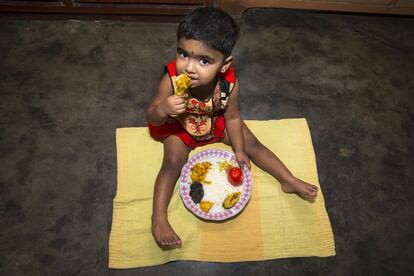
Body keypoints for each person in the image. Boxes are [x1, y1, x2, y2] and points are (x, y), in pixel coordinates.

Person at [146, 7, 318, 248]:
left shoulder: (229, 85)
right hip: (180, 127)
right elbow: (152, 118)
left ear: (224, 64)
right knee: (171, 163)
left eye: (204, 60)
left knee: (253, 145)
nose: (189, 67)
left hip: (215, 123)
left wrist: (239, 150)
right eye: (183, 54)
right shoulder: (171, 81)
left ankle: (287, 179)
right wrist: (163, 109)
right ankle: (158, 219)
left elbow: (233, 117)